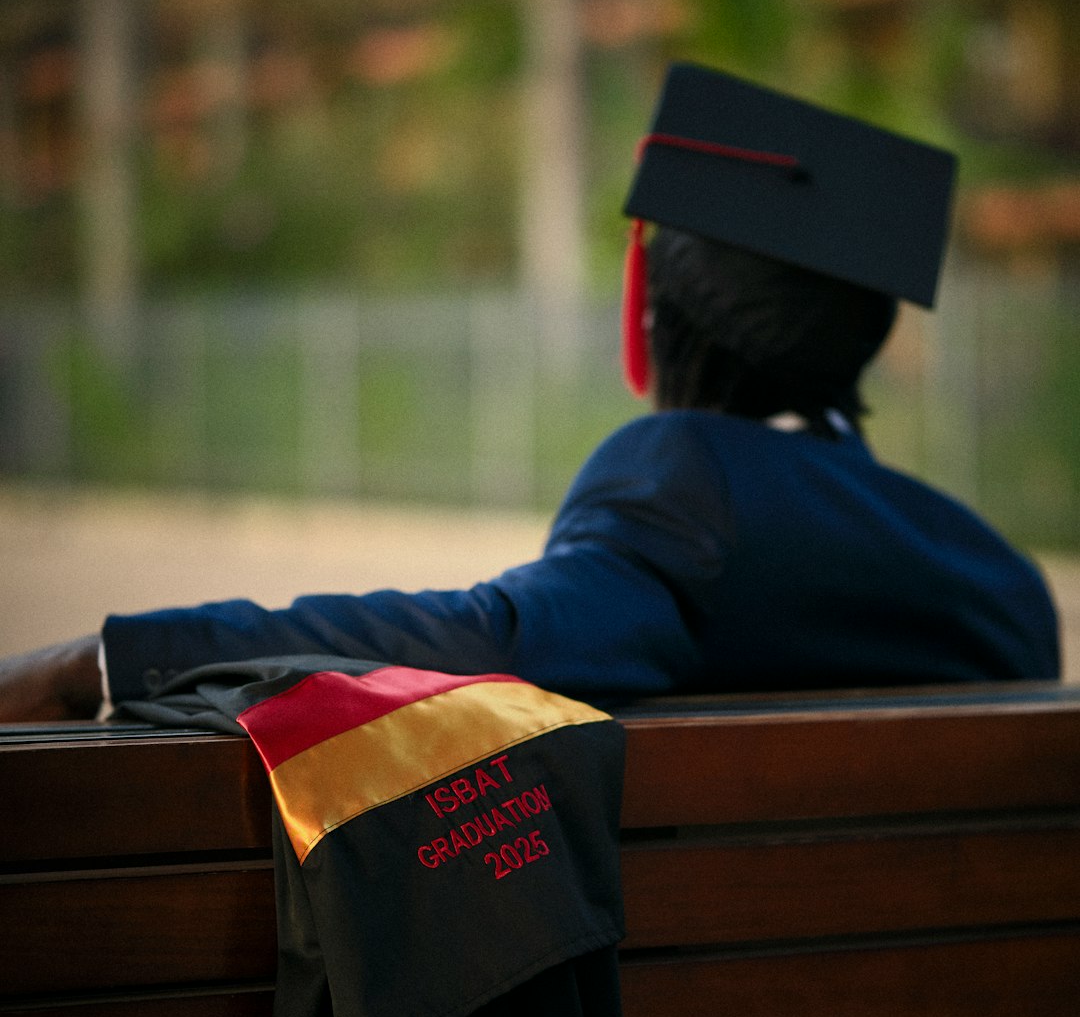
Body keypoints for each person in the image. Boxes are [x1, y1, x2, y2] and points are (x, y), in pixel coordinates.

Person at [0, 63, 1060, 721]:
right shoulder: (999, 583)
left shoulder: (688, 482)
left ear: (657, 315)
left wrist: (108, 660)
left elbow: (497, 639)